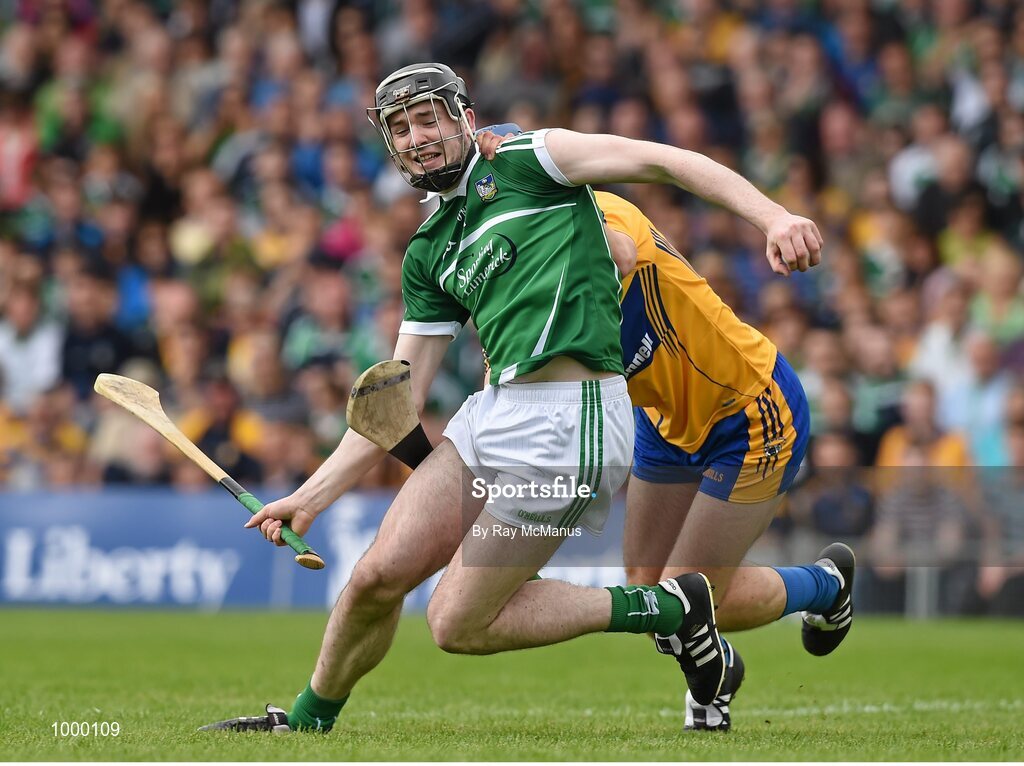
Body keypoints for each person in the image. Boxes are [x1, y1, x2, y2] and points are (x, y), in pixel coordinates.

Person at [200, 63, 822, 734]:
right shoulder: (430, 251)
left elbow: (664, 162)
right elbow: (394, 400)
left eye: (429, 117)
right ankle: (307, 720)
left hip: (571, 424)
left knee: (455, 622)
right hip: (493, 414)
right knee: (379, 575)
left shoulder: (534, 159)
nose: (416, 137)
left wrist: (774, 215)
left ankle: (669, 609)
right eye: (400, 128)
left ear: (466, 118)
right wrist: (310, 498)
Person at [471, 127, 853, 730]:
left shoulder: (591, 218)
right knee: (649, 588)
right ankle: (787, 614)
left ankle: (809, 601)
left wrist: (774, 218)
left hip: (750, 407)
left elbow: (619, 251)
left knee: (688, 593)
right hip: (664, 419)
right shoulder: (515, 273)